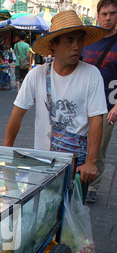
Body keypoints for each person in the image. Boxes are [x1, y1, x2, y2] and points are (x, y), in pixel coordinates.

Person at [3, 10, 108, 202]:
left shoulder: (91, 75)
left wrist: (91, 163)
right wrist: (5, 154)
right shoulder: (37, 75)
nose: (76, 47)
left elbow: (96, 121)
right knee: (43, 221)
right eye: (69, 40)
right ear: (53, 45)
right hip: (43, 166)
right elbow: (17, 114)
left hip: (77, 168)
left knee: (71, 225)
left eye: (79, 40)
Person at [81, 0, 117, 203]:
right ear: (98, 15)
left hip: (107, 106)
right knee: (79, 144)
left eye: (112, 13)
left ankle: (93, 185)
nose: (108, 18)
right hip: (82, 104)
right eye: (104, 13)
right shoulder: (88, 40)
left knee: (99, 148)